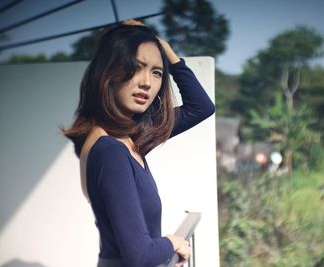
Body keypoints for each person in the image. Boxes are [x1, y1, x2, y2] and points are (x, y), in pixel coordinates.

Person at [62, 19, 215, 267]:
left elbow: (201, 107)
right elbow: (139, 255)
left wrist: (164, 49)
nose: (147, 82)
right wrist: (173, 243)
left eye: (156, 72)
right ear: (108, 72)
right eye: (135, 67)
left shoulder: (131, 137)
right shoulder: (110, 150)